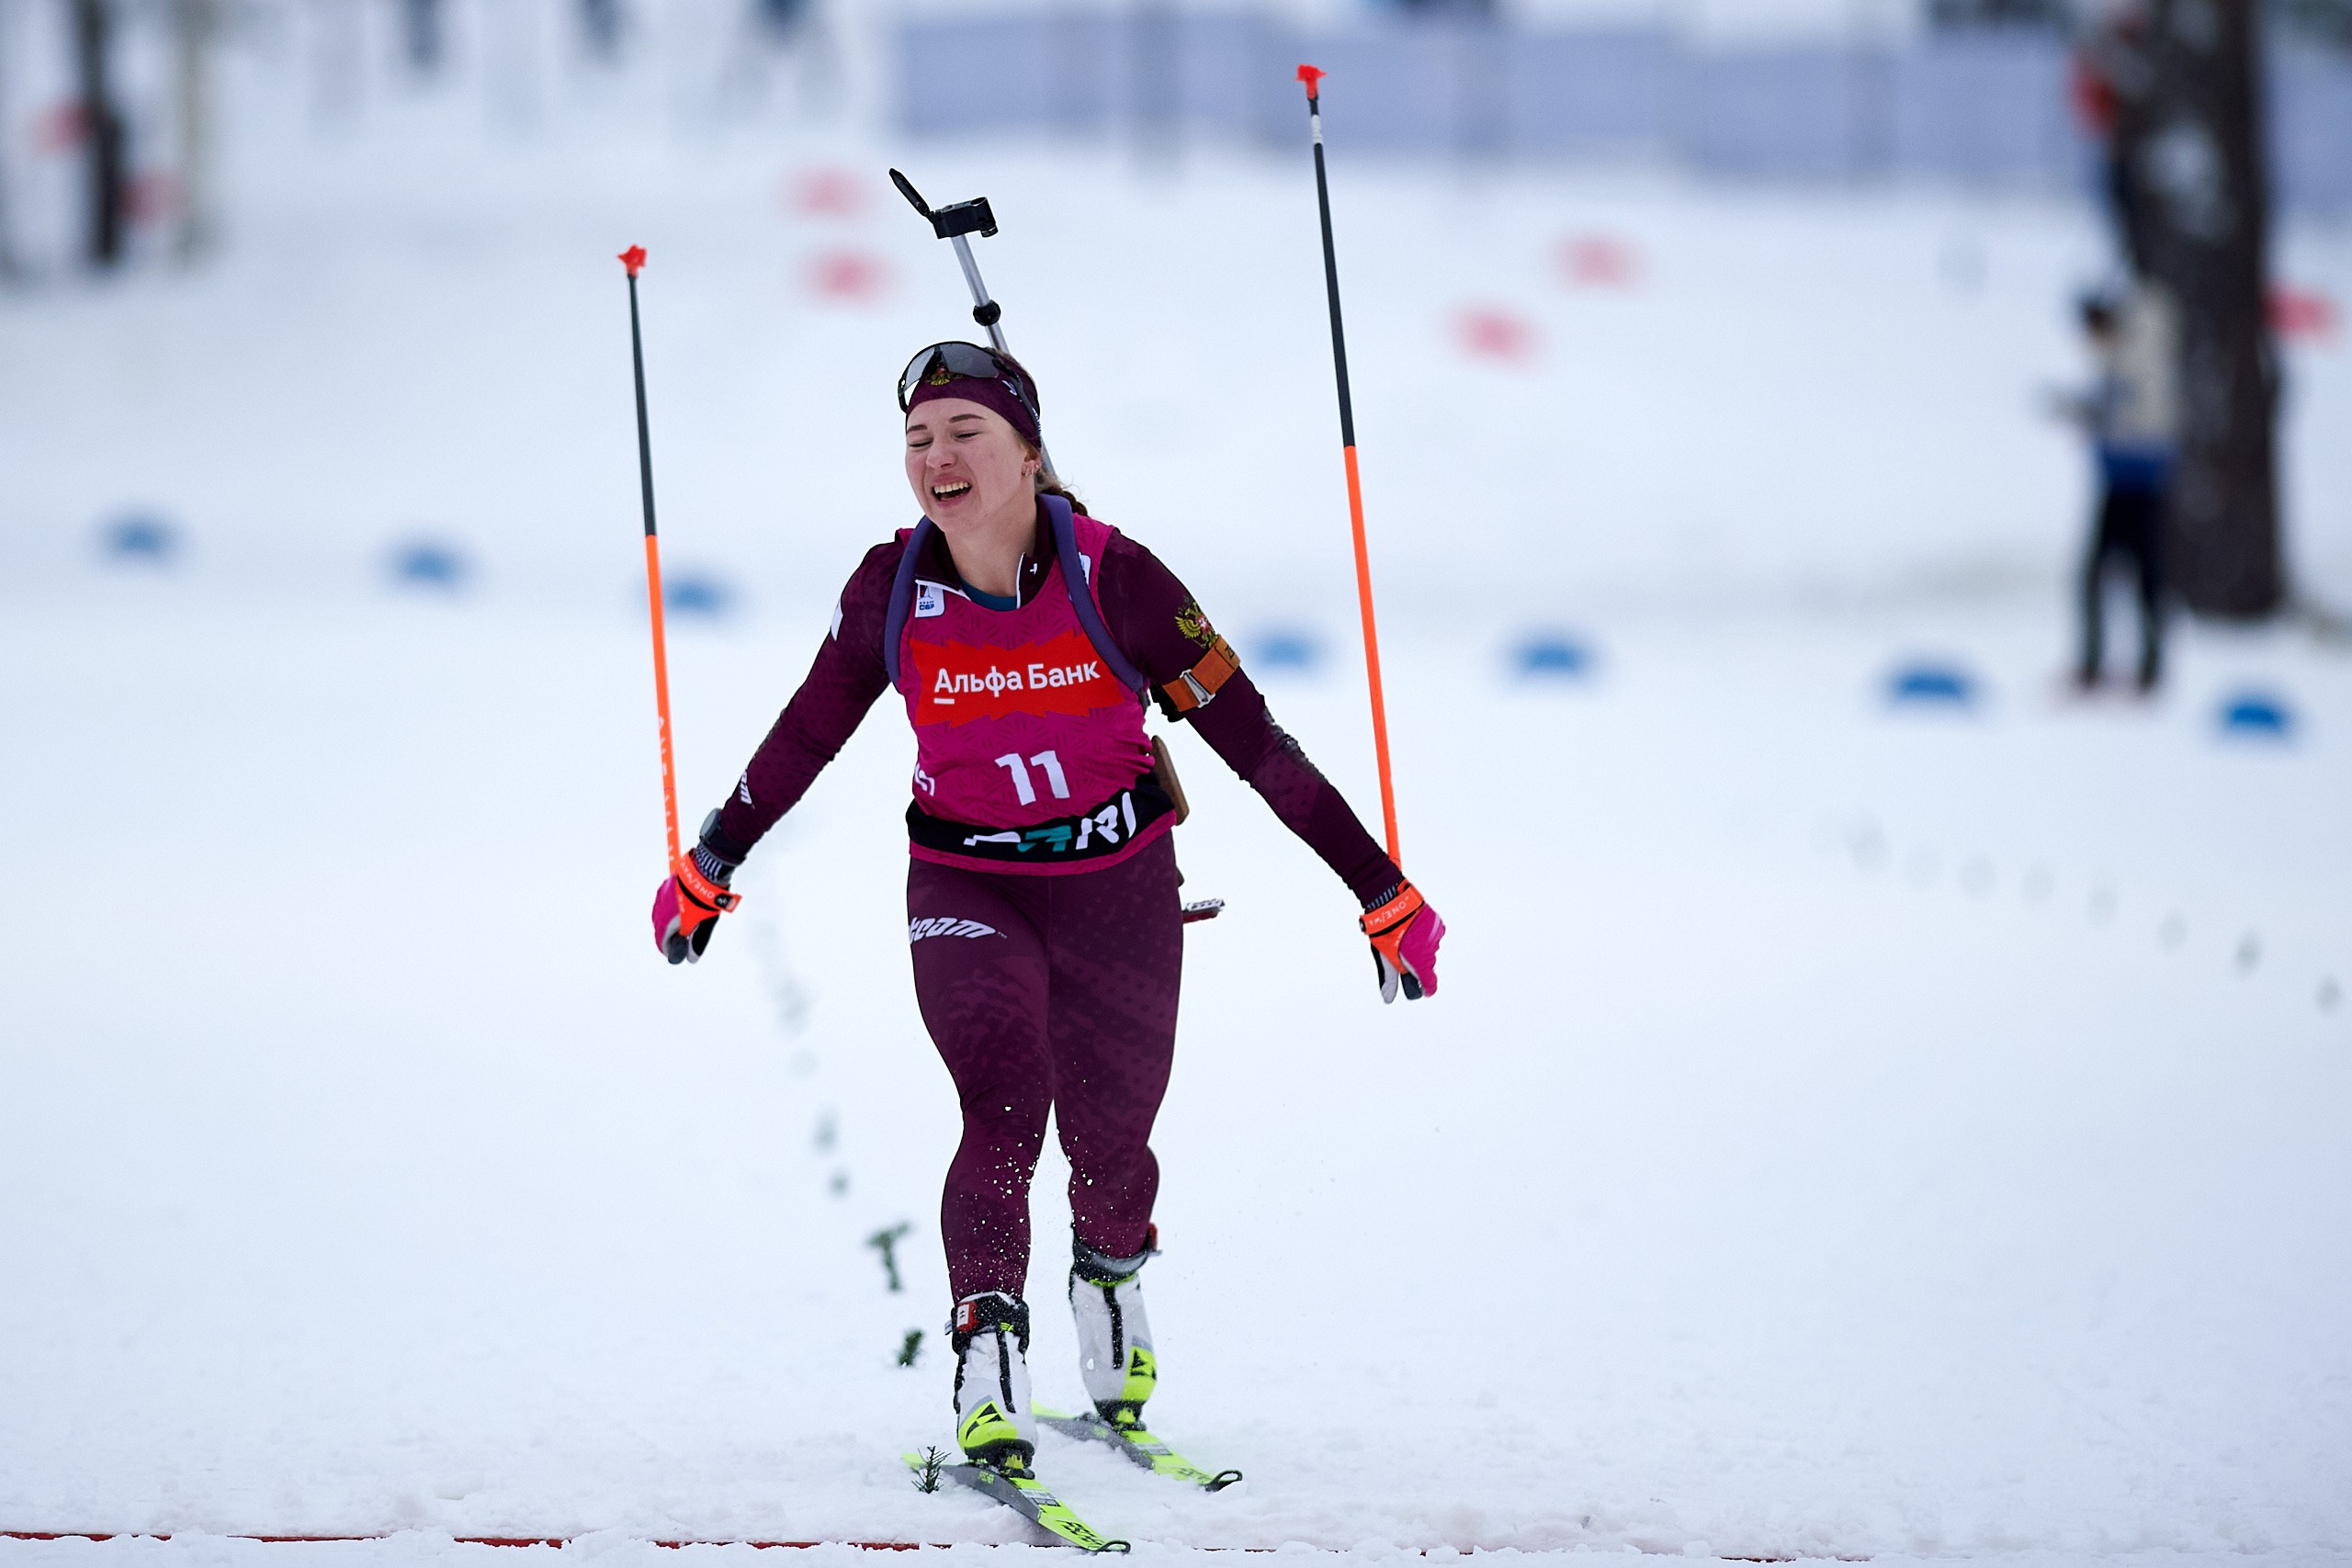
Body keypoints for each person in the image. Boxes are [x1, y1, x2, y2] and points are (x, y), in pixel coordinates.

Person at [648, 342, 1446, 1477]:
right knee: (1005, 1100)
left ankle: (1110, 1277)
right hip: (966, 881)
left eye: (965, 432)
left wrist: (1379, 889)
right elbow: (807, 731)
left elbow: (1254, 742)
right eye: (918, 440)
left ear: (1028, 453)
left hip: (1118, 887)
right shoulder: (892, 589)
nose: (937, 458)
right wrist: (711, 858)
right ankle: (987, 1354)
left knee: (1112, 1146)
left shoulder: (1118, 580)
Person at [2056, 282, 2179, 693]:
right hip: (2121, 480)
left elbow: (2140, 417)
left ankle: (2140, 667)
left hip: (2138, 484)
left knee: (2132, 578)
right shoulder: (2119, 360)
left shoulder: (2138, 358)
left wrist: (2093, 415)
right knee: (2123, 578)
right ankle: (2121, 665)